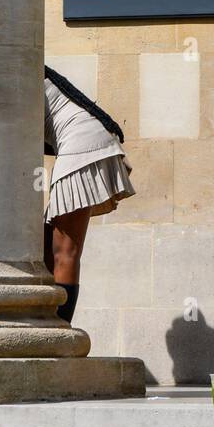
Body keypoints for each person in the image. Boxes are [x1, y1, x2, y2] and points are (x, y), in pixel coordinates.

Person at [43, 65, 136, 325]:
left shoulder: (15, 63)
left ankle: (59, 330)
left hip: (82, 142)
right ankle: (50, 323)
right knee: (47, 245)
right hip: (82, 140)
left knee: (64, 250)